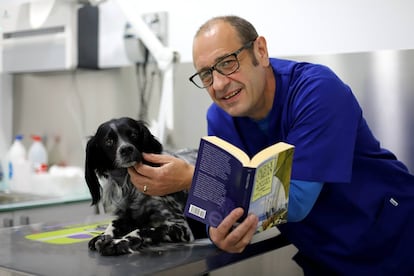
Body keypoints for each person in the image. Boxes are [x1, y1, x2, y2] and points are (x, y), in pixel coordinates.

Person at [128, 15, 414, 275]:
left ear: (260, 51)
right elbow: (222, 205)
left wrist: (191, 178)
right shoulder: (220, 117)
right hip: (327, 258)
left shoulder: (317, 91)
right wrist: (217, 229)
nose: (218, 84)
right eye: (205, 74)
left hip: (393, 244)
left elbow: (296, 201)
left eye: (227, 62)